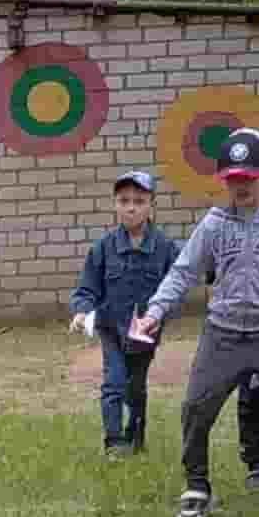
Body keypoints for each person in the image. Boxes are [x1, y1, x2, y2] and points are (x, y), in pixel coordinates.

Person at [129, 127, 259, 517]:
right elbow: (184, 271)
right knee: (196, 407)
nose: (241, 187)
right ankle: (196, 486)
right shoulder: (214, 223)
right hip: (223, 332)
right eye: (233, 180)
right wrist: (155, 312)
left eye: (249, 179)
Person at [69, 169, 176, 455]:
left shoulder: (165, 248)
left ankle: (136, 435)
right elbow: (86, 289)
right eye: (124, 200)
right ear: (114, 204)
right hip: (111, 329)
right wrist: (82, 312)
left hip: (145, 333)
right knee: (113, 383)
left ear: (151, 204)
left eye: (139, 201)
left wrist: (160, 316)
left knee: (135, 387)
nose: (131, 207)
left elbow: (175, 287)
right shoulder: (103, 247)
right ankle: (114, 441)